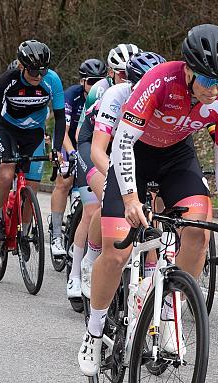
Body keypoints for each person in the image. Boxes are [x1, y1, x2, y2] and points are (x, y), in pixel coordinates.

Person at [78, 25, 218, 376]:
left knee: (199, 233)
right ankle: (94, 331)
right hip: (135, 154)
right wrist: (129, 197)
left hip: (177, 158)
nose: (216, 88)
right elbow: (122, 143)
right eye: (207, 79)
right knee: (117, 250)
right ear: (188, 70)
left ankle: (171, 312)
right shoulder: (158, 81)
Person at [70, 52, 165, 301]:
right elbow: (98, 151)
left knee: (151, 207)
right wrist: (122, 185)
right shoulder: (115, 95)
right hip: (94, 142)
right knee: (107, 195)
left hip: (125, 146)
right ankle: (88, 262)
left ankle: (150, 282)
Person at [74, 43, 140, 297]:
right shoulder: (101, 91)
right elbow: (83, 131)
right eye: (122, 74)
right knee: (99, 205)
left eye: (131, 73)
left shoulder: (141, 92)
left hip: (120, 146)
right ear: (111, 73)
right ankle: (82, 268)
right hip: (92, 143)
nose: (128, 79)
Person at [0, 40, 66, 242]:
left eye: (43, 71)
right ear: (21, 66)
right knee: (6, 172)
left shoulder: (52, 81)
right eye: (33, 71)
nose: (38, 76)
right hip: (8, 130)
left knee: (32, 186)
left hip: (34, 133)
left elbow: (59, 117)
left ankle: (25, 232)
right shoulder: (7, 80)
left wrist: (56, 149)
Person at [62, 58, 107, 297]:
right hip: (87, 147)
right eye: (90, 81)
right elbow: (77, 133)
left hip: (114, 151)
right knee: (92, 211)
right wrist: (68, 155)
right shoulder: (98, 92)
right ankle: (76, 275)